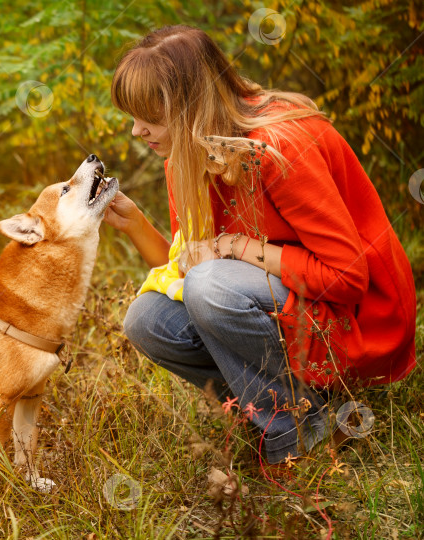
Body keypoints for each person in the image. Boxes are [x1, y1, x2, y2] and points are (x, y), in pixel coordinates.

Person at [104, 25, 416, 466]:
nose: (137, 131)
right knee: (147, 319)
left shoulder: (279, 146)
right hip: (287, 303)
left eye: (148, 116)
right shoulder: (188, 159)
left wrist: (237, 247)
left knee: (212, 288)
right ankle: (298, 412)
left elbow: (346, 279)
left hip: (358, 319)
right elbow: (187, 270)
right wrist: (135, 223)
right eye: (132, 117)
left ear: (190, 105)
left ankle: (301, 436)